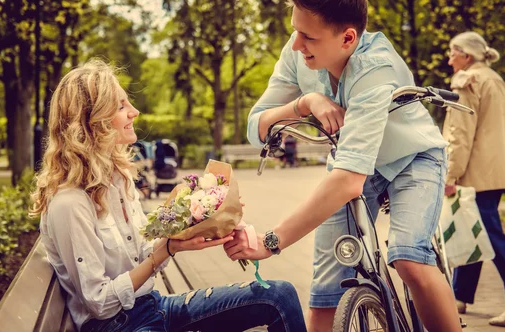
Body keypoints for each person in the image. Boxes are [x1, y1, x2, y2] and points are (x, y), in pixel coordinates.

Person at [224, 0, 461, 332]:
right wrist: (304, 102)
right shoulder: (296, 52)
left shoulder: (373, 68)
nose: (297, 44)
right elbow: (257, 125)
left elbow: (349, 182)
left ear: (348, 37)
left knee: (409, 258)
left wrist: (271, 242)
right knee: (325, 296)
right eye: (295, 30)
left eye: (308, 36)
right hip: (351, 164)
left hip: (412, 159)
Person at [29, 60, 307, 332]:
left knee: (279, 297)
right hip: (116, 325)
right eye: (121, 105)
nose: (134, 112)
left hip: (152, 307)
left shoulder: (117, 180)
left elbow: (145, 254)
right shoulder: (70, 203)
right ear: (93, 120)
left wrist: (195, 223)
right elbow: (100, 303)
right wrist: (168, 249)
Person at [443, 31, 505, 327]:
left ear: (467, 56)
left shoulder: (467, 80)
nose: (449, 59)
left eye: (452, 53)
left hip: (473, 173)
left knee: (489, 235)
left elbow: (460, 133)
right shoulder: (495, 79)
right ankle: (459, 296)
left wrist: (450, 173)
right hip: (493, 173)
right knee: (476, 231)